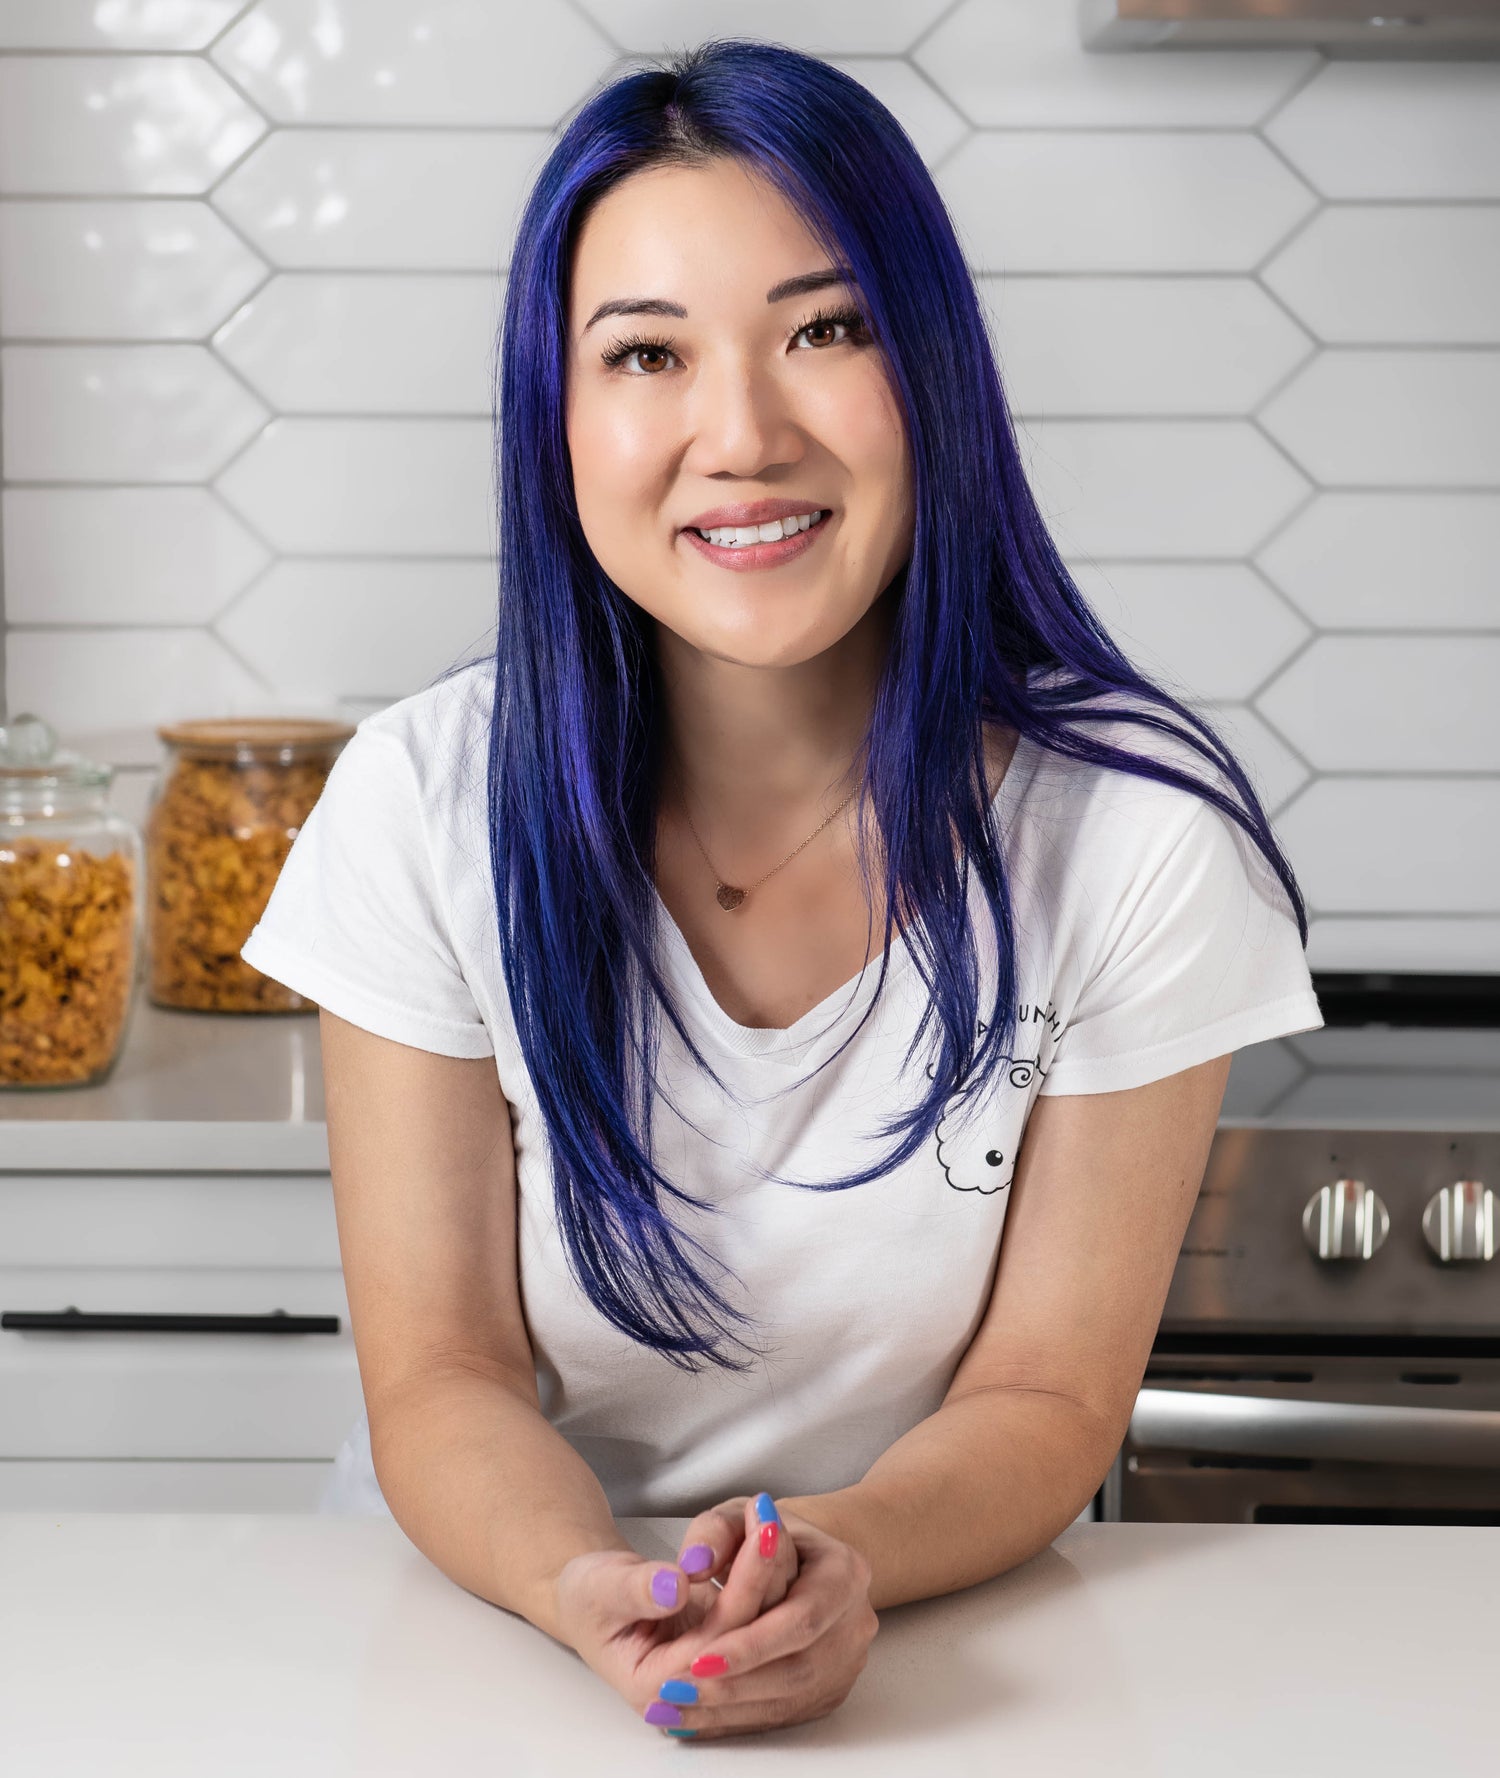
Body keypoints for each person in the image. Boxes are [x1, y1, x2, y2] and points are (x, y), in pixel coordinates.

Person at [240, 39, 1322, 1743]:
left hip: (942, 1647)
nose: (740, 434)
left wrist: (841, 1558)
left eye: (826, 329)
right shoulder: (420, 804)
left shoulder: (1135, 837)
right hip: (492, 1634)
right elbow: (442, 1375)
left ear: (934, 373)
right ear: (559, 418)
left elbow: (1046, 1393)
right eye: (648, 354)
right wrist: (591, 1585)